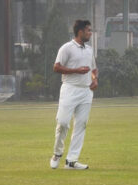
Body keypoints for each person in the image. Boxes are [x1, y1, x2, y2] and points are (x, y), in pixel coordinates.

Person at [50, 20, 98, 170]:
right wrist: (76, 70)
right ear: (80, 32)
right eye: (88, 30)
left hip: (86, 91)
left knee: (81, 125)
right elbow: (56, 67)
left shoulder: (90, 50)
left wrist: (95, 80)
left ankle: (71, 161)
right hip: (70, 89)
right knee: (63, 123)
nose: (90, 33)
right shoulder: (67, 48)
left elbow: (93, 70)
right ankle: (57, 153)